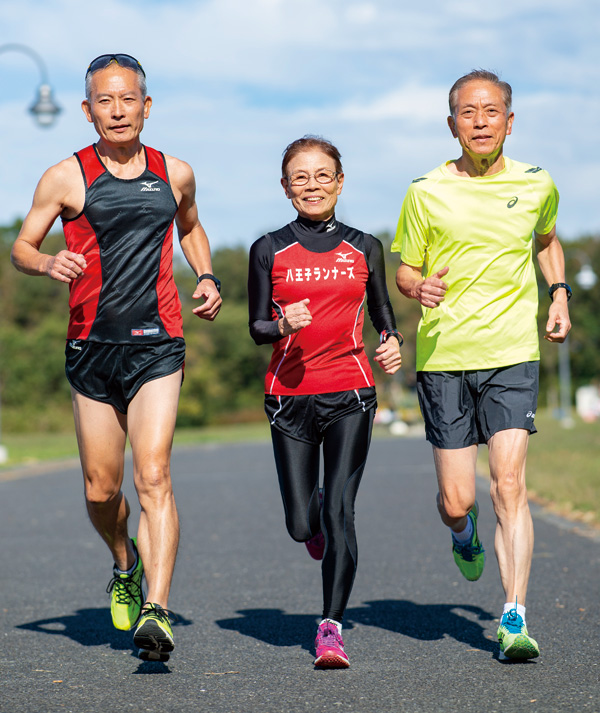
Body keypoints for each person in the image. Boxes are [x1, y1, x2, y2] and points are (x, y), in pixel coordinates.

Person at [11, 53, 222, 662]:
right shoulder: (65, 176)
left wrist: (205, 275)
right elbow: (22, 246)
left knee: (152, 473)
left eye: (128, 98)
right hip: (91, 348)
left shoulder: (174, 172)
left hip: (159, 344)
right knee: (102, 489)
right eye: (105, 100)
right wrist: (49, 261)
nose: (118, 110)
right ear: (87, 110)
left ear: (146, 105)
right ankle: (125, 559)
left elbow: (191, 227)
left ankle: (156, 609)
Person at [393, 70, 571, 661]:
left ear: (509, 120)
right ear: (452, 125)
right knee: (457, 500)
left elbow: (546, 240)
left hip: (512, 352)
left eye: (490, 111)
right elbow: (405, 269)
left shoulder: (537, 182)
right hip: (445, 357)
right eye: (467, 113)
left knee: (510, 485)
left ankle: (514, 616)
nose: (480, 122)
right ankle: (462, 534)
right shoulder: (425, 191)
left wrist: (560, 294)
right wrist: (419, 288)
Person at [248, 135, 402, 668]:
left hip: (350, 392)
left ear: (340, 181)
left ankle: (331, 628)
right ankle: (310, 511)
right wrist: (281, 322)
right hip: (288, 397)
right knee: (300, 524)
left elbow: (383, 311)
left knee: (341, 512)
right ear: (286, 187)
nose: (312, 185)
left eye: (322, 175)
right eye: (300, 177)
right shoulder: (269, 248)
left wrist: (392, 342)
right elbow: (255, 328)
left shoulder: (365, 246)